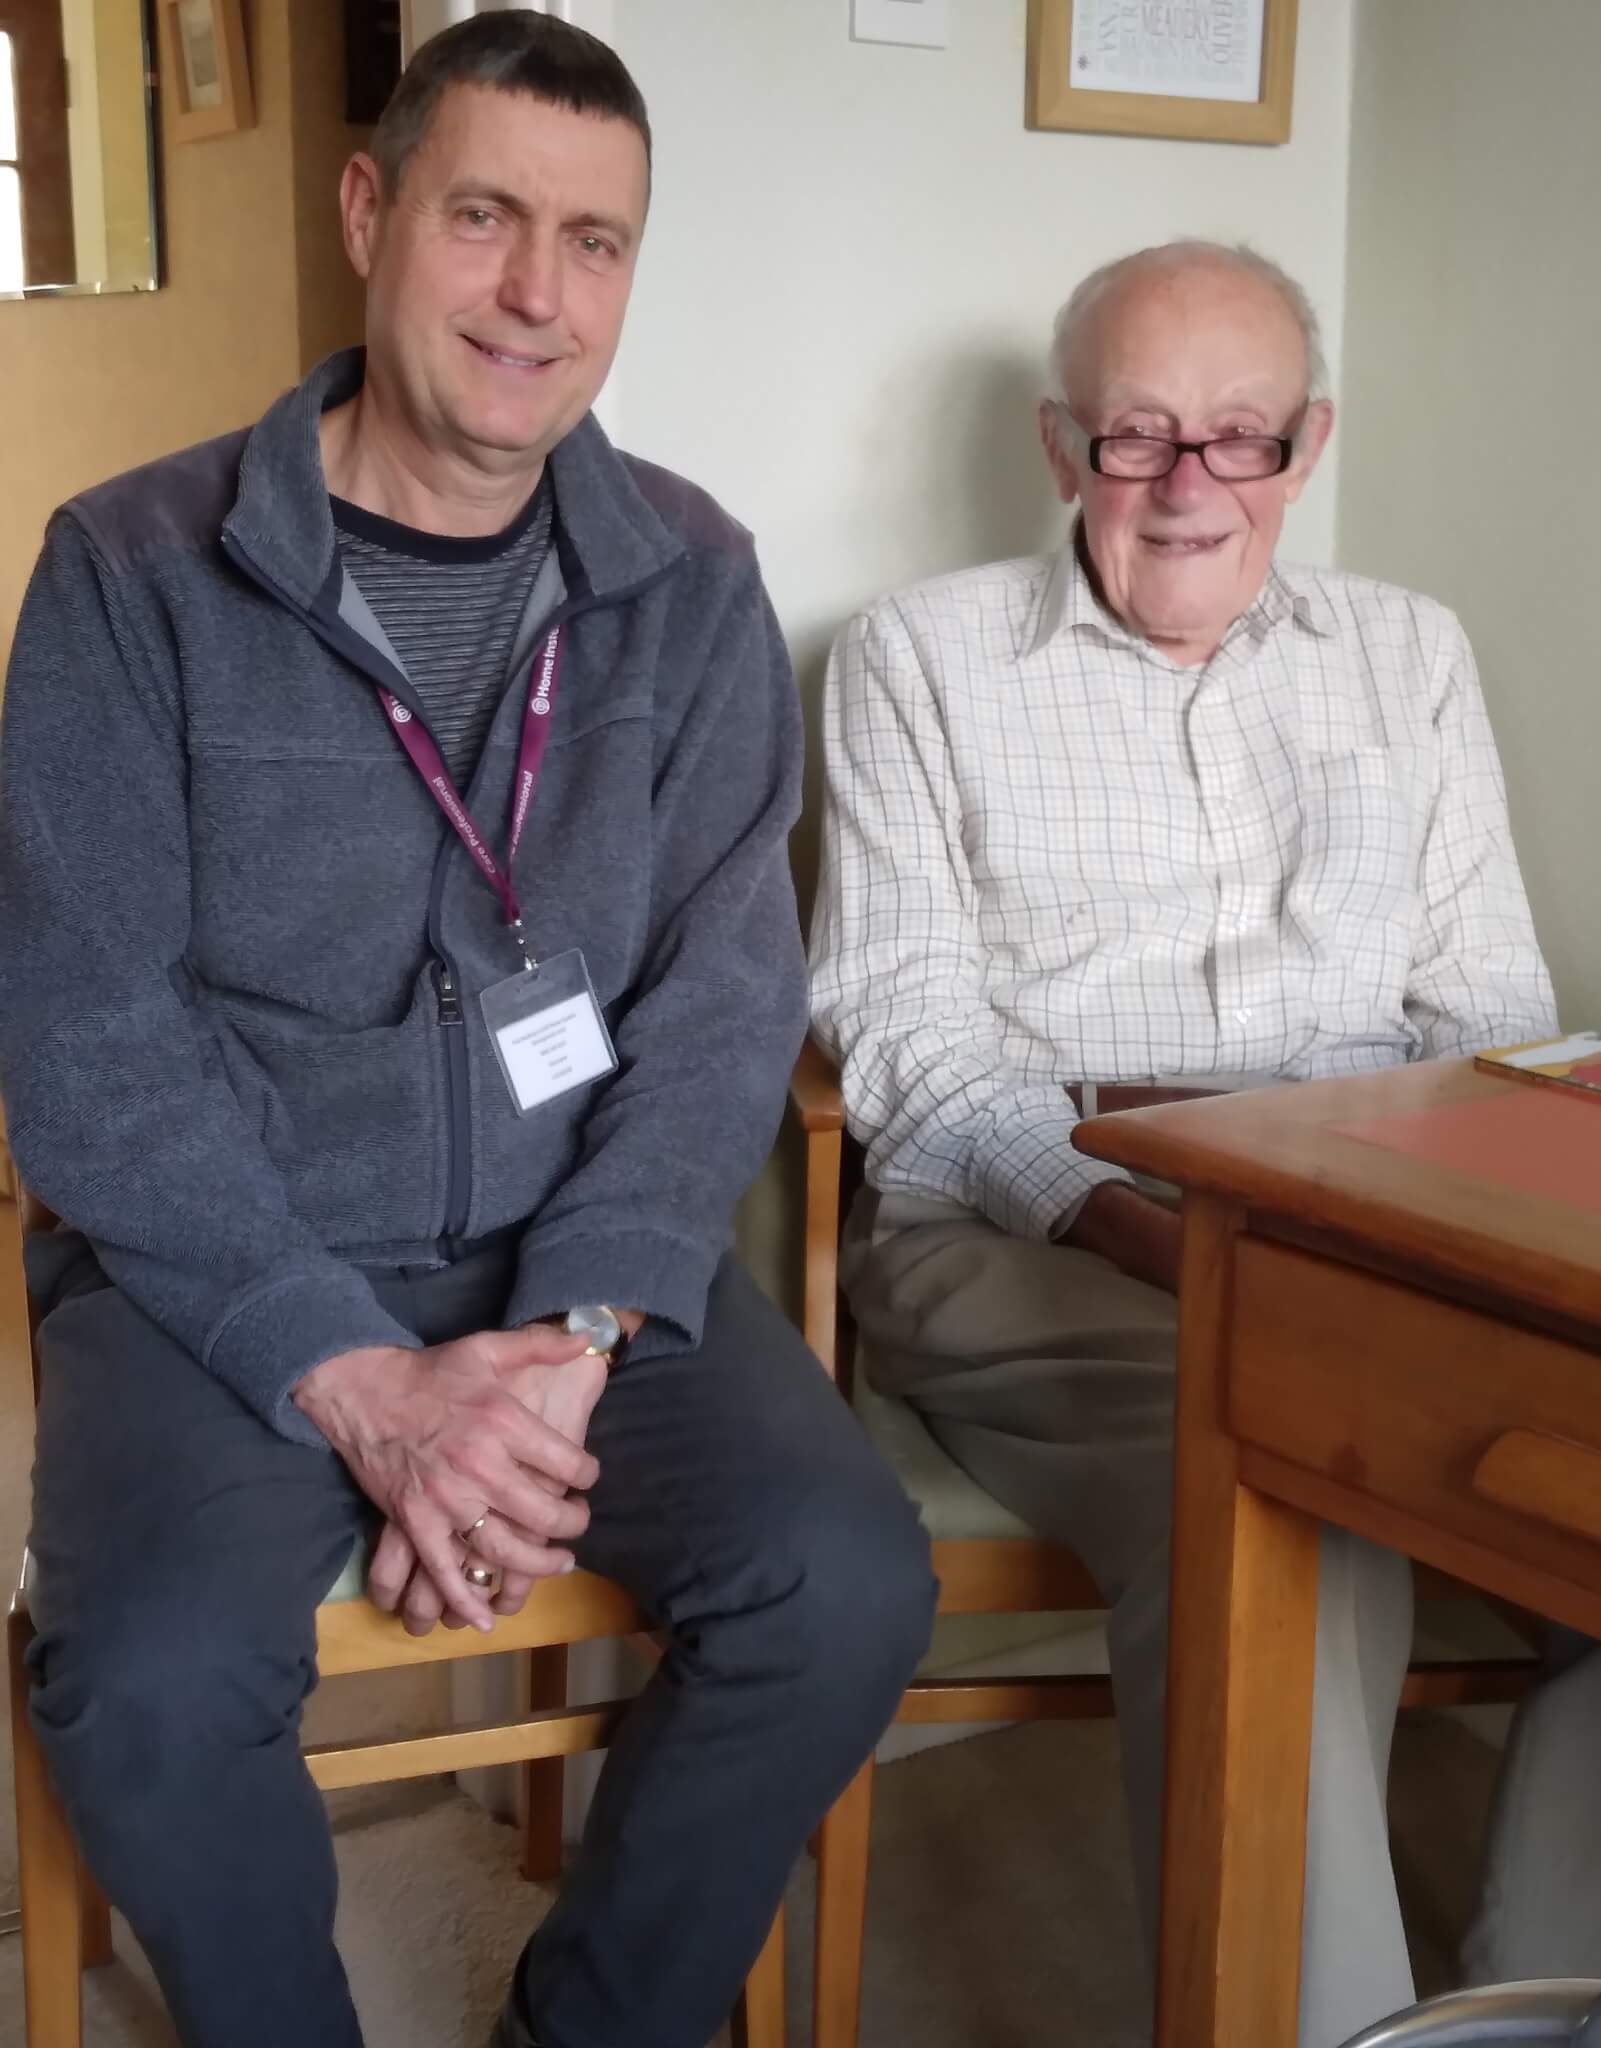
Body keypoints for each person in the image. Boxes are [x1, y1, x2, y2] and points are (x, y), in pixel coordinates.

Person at [0, 16, 935, 2048]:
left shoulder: (691, 582)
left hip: (571, 1261)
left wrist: (584, 1333)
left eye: (593, 242)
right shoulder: (126, 573)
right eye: (486, 217)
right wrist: (357, 1379)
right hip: (224, 1271)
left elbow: (720, 998)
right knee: (144, 1680)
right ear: (372, 212)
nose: (536, 292)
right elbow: (85, 1039)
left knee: (843, 1581)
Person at [809, 238, 1585, 2045]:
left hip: (1370, 1226)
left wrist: (1359, 1215)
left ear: (1305, 444)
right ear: (1057, 442)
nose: (1184, 487)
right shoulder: (915, 659)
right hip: (1027, 1243)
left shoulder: (1409, 653)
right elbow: (916, 1044)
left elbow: (1483, 1011)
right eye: (1137, 434)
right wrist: (1143, 1203)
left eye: (1233, 438)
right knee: (1277, 1502)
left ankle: (1534, 2006)